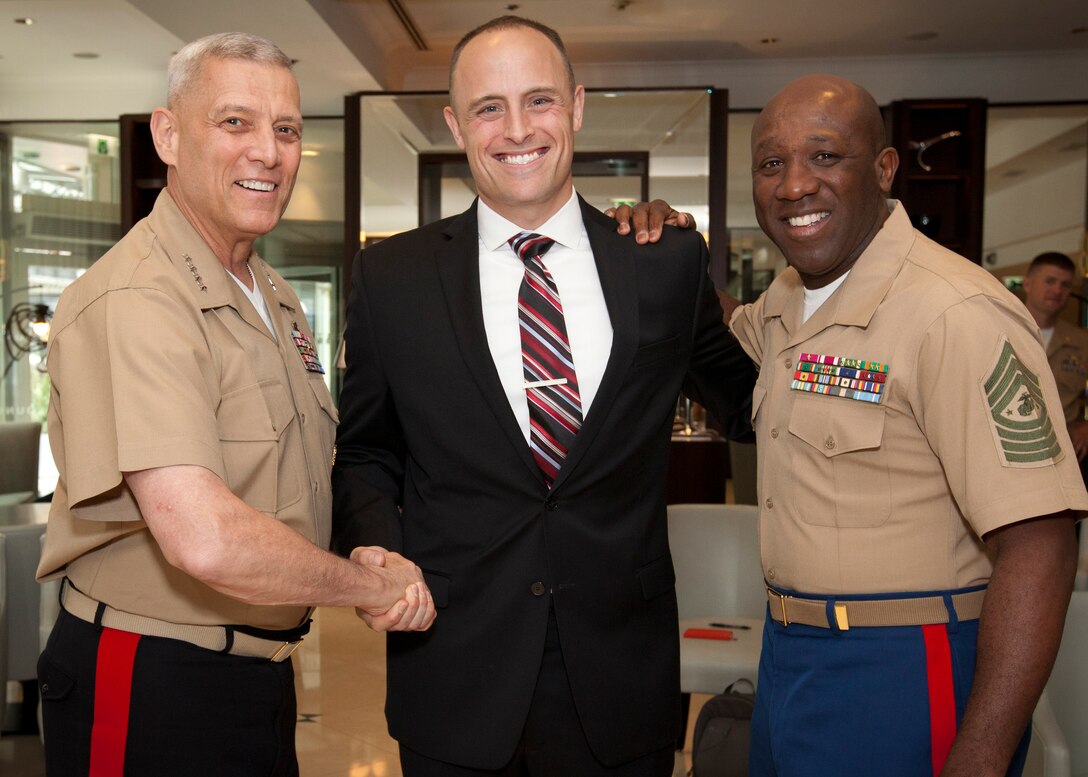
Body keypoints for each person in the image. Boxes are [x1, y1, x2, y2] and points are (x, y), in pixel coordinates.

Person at [331, 15, 755, 777]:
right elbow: (364, 449)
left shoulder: (663, 263)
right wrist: (373, 545)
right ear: (458, 125)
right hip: (453, 671)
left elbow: (751, 406)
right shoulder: (392, 278)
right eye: (490, 107)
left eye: (540, 101)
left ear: (578, 106)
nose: (517, 129)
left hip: (620, 680)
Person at [36, 32, 435, 777]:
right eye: (235, 122)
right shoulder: (140, 297)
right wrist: (369, 585)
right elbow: (204, 538)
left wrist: (364, 540)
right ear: (169, 134)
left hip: (254, 675)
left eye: (286, 129)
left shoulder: (274, 295)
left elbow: (302, 474)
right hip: (151, 676)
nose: (268, 151)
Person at [726, 74, 1087, 777]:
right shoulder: (788, 298)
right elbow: (718, 334)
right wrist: (658, 239)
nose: (796, 184)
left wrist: (980, 755)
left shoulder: (954, 311)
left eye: (825, 156)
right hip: (786, 655)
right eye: (773, 163)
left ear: (885, 170)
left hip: (904, 666)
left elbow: (1041, 545)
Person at [1021, 251, 1088, 462]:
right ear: (1028, 284)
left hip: (1062, 452)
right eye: (1050, 281)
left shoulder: (1081, 342)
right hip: (1008, 446)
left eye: (1066, 285)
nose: (1057, 290)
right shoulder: (1000, 329)